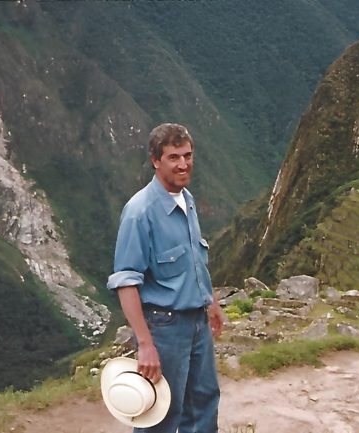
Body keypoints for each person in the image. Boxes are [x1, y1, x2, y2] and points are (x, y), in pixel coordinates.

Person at [107, 123, 224, 433]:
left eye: (187, 155)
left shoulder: (187, 200)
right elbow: (127, 283)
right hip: (165, 327)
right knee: (159, 413)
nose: (183, 164)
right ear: (155, 160)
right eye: (173, 157)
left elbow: (194, 259)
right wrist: (145, 344)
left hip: (197, 322)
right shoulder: (139, 212)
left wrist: (209, 302)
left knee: (203, 402)